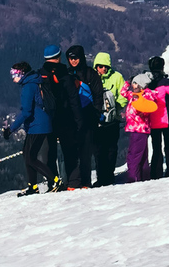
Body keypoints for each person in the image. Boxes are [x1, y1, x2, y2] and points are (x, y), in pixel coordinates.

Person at [5, 62, 61, 196]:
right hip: (36, 125)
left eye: (14, 74)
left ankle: (54, 180)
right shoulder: (32, 83)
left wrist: (11, 129)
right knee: (27, 154)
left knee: (31, 157)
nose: (13, 78)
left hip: (38, 126)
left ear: (22, 74)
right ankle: (33, 186)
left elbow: (26, 112)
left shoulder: (28, 87)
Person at [40, 44, 82, 190]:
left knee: (50, 154)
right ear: (58, 57)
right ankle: (73, 183)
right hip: (66, 118)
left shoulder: (40, 76)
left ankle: (53, 183)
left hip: (47, 119)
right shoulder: (66, 76)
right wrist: (79, 121)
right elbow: (74, 101)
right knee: (70, 151)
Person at [66, 45, 104, 189]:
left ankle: (86, 181)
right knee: (72, 151)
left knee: (85, 151)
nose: (73, 61)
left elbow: (98, 95)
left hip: (88, 118)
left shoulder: (90, 74)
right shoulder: (67, 73)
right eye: (70, 58)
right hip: (71, 119)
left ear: (81, 57)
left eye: (75, 57)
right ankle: (74, 181)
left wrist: (96, 113)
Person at [92, 52, 127, 187]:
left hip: (113, 120)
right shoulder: (93, 78)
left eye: (105, 66)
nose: (103, 69)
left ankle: (109, 176)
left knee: (111, 149)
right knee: (98, 150)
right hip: (97, 121)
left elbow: (123, 95)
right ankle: (101, 177)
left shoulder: (117, 77)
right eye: (100, 66)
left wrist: (116, 107)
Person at [119, 73, 158, 183]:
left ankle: (133, 178)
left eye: (135, 83)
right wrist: (127, 82)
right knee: (142, 156)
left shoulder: (146, 95)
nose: (133, 85)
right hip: (134, 129)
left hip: (140, 130)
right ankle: (144, 177)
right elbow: (123, 92)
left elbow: (149, 106)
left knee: (134, 156)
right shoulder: (133, 95)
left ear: (141, 84)